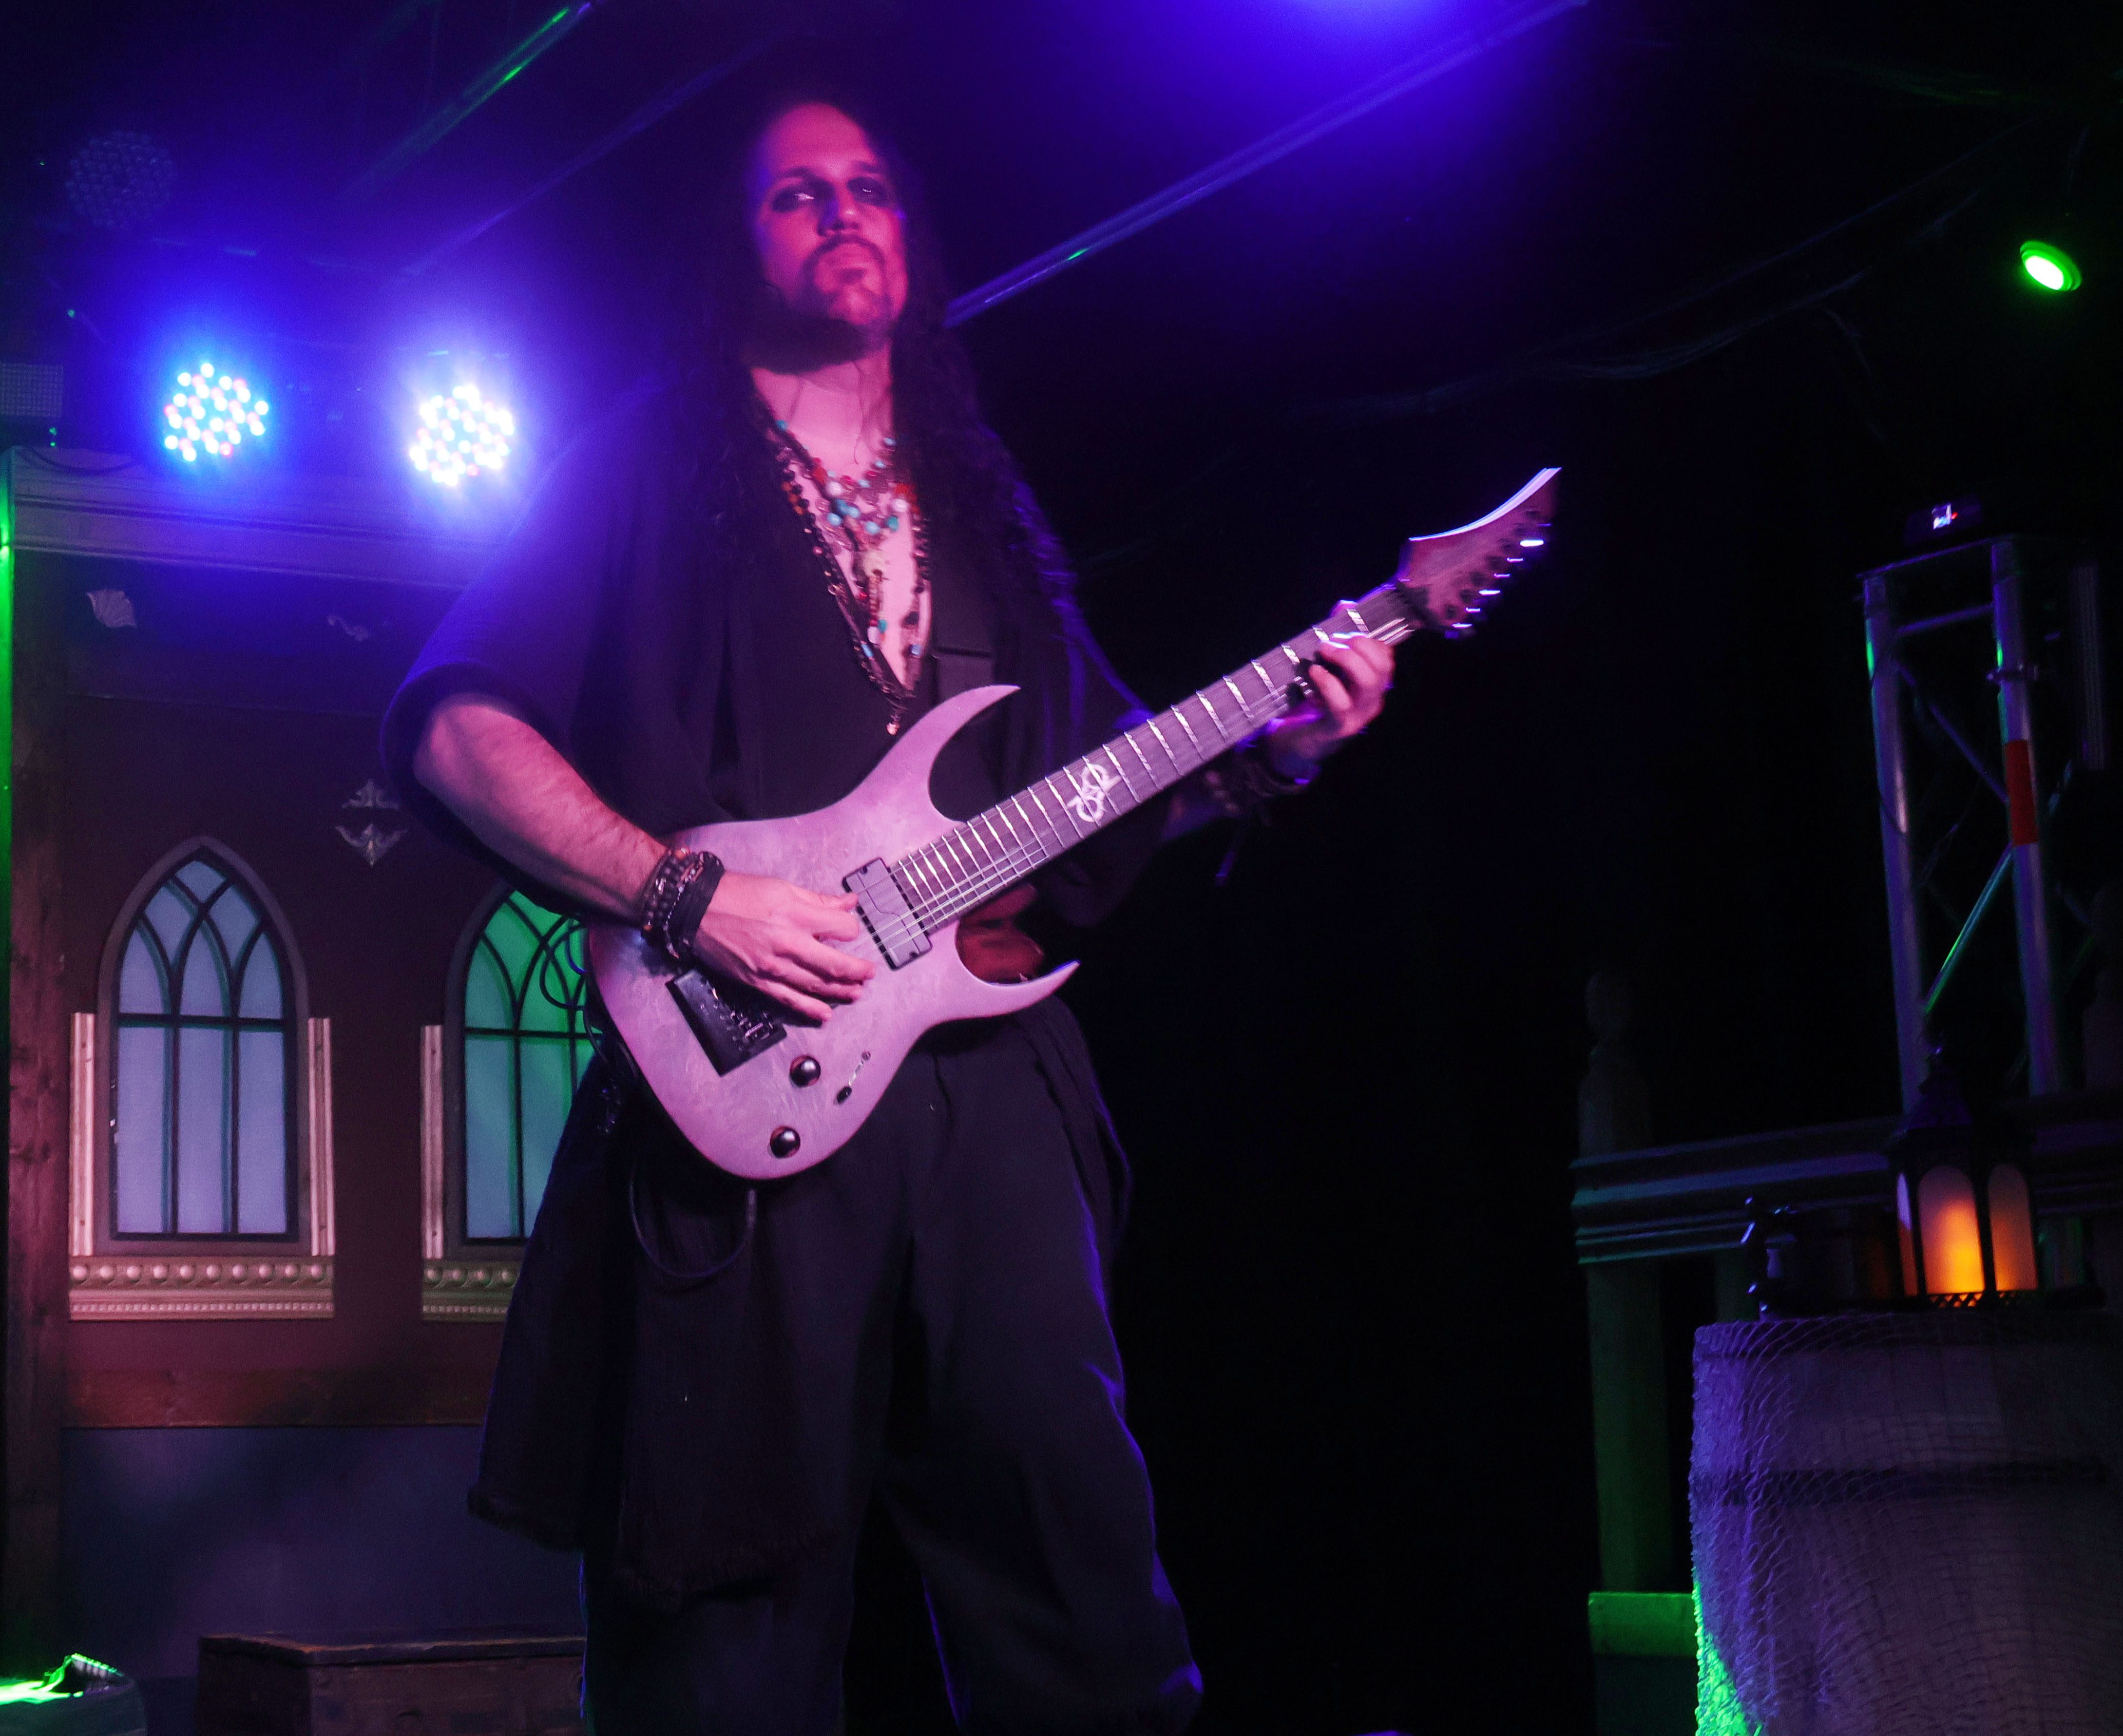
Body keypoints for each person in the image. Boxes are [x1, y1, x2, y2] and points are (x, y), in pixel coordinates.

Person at [383, 92, 1397, 1732]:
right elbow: (455, 731)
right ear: (736, 248)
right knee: (720, 1626)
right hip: (741, 1101)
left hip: (987, 1094)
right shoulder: (646, 470)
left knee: (1084, 1588)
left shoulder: (983, 509)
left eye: (867, 188)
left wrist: (1268, 758)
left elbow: (1097, 803)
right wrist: (682, 895)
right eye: (793, 196)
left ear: (912, 242)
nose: (839, 214)